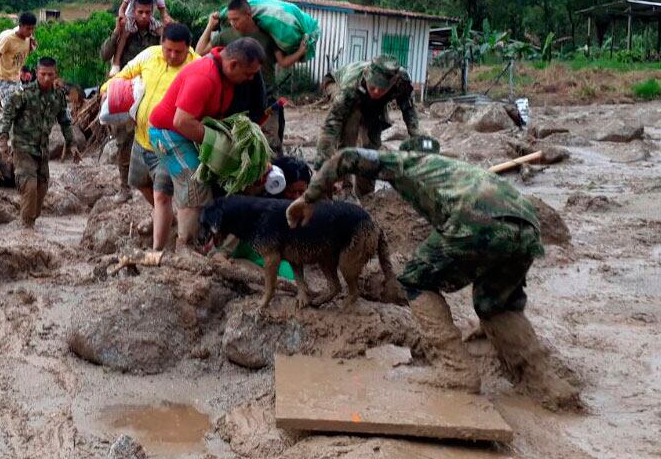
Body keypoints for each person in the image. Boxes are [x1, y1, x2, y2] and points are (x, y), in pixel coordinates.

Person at [286, 142, 581, 410]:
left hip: (477, 219)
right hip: (526, 224)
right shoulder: (453, 169)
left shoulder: (406, 164)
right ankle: (546, 383)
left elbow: (346, 156)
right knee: (498, 303)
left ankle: (457, 370)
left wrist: (309, 198)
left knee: (416, 280)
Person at [149, 37, 265, 251]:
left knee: (202, 186)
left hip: (187, 131)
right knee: (196, 188)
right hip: (168, 133)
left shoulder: (226, 74)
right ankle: (185, 248)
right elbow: (181, 122)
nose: (250, 80)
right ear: (233, 65)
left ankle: (189, 243)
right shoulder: (204, 76)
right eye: (248, 74)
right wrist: (222, 145)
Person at [99, 23, 199, 250]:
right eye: (168, 50)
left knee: (162, 195)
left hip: (170, 144)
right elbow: (124, 75)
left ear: (188, 48)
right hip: (142, 139)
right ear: (161, 44)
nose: (172, 56)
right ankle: (166, 218)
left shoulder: (196, 66)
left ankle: (157, 251)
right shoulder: (149, 56)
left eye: (178, 52)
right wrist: (107, 88)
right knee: (138, 183)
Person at [196, 0, 308, 154]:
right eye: (230, 20)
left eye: (236, 19)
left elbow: (283, 62)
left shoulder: (267, 36)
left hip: (267, 99)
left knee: (270, 146)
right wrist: (209, 26)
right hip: (236, 100)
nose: (233, 23)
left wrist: (300, 52)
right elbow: (200, 52)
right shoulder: (226, 36)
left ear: (248, 14)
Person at [314, 55, 421, 198]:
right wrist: (321, 165)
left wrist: (417, 140)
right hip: (337, 84)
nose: (376, 91)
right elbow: (331, 126)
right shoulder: (350, 86)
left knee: (371, 146)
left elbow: (409, 110)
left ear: (393, 82)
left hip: (372, 105)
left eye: (381, 88)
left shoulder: (402, 81)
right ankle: (345, 188)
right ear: (367, 76)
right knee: (351, 123)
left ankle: (366, 194)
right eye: (373, 86)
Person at [0, 57, 81, 229]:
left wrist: (72, 144)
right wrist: (2, 142)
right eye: (43, 74)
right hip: (23, 148)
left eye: (50, 74)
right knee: (30, 187)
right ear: (36, 73)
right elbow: (7, 116)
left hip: (42, 150)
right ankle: (26, 229)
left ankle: (28, 221)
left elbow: (64, 121)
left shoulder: (58, 97)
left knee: (41, 189)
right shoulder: (24, 94)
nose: (47, 78)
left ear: (55, 73)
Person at [102, 0, 163, 204]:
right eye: (140, 12)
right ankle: (124, 187)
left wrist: (163, 35)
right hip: (127, 92)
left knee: (154, 140)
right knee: (124, 141)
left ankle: (155, 188)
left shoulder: (158, 32)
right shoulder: (125, 29)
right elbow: (104, 54)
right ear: (133, 11)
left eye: (148, 12)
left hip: (151, 92)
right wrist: (118, 32)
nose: (144, 16)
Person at [112, 0, 172, 75]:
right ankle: (116, 62)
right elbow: (122, 8)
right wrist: (122, 17)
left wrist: (168, 20)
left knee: (163, 32)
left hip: (149, 17)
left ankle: (162, 60)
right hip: (131, 16)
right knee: (125, 34)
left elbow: (163, 11)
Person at [0, 12, 38, 109]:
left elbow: (21, 54)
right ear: (20, 26)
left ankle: (5, 122)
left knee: (23, 107)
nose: (30, 31)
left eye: (33, 28)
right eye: (28, 28)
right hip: (3, 79)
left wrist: (32, 46)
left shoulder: (28, 39)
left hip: (16, 80)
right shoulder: (8, 39)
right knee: (12, 108)